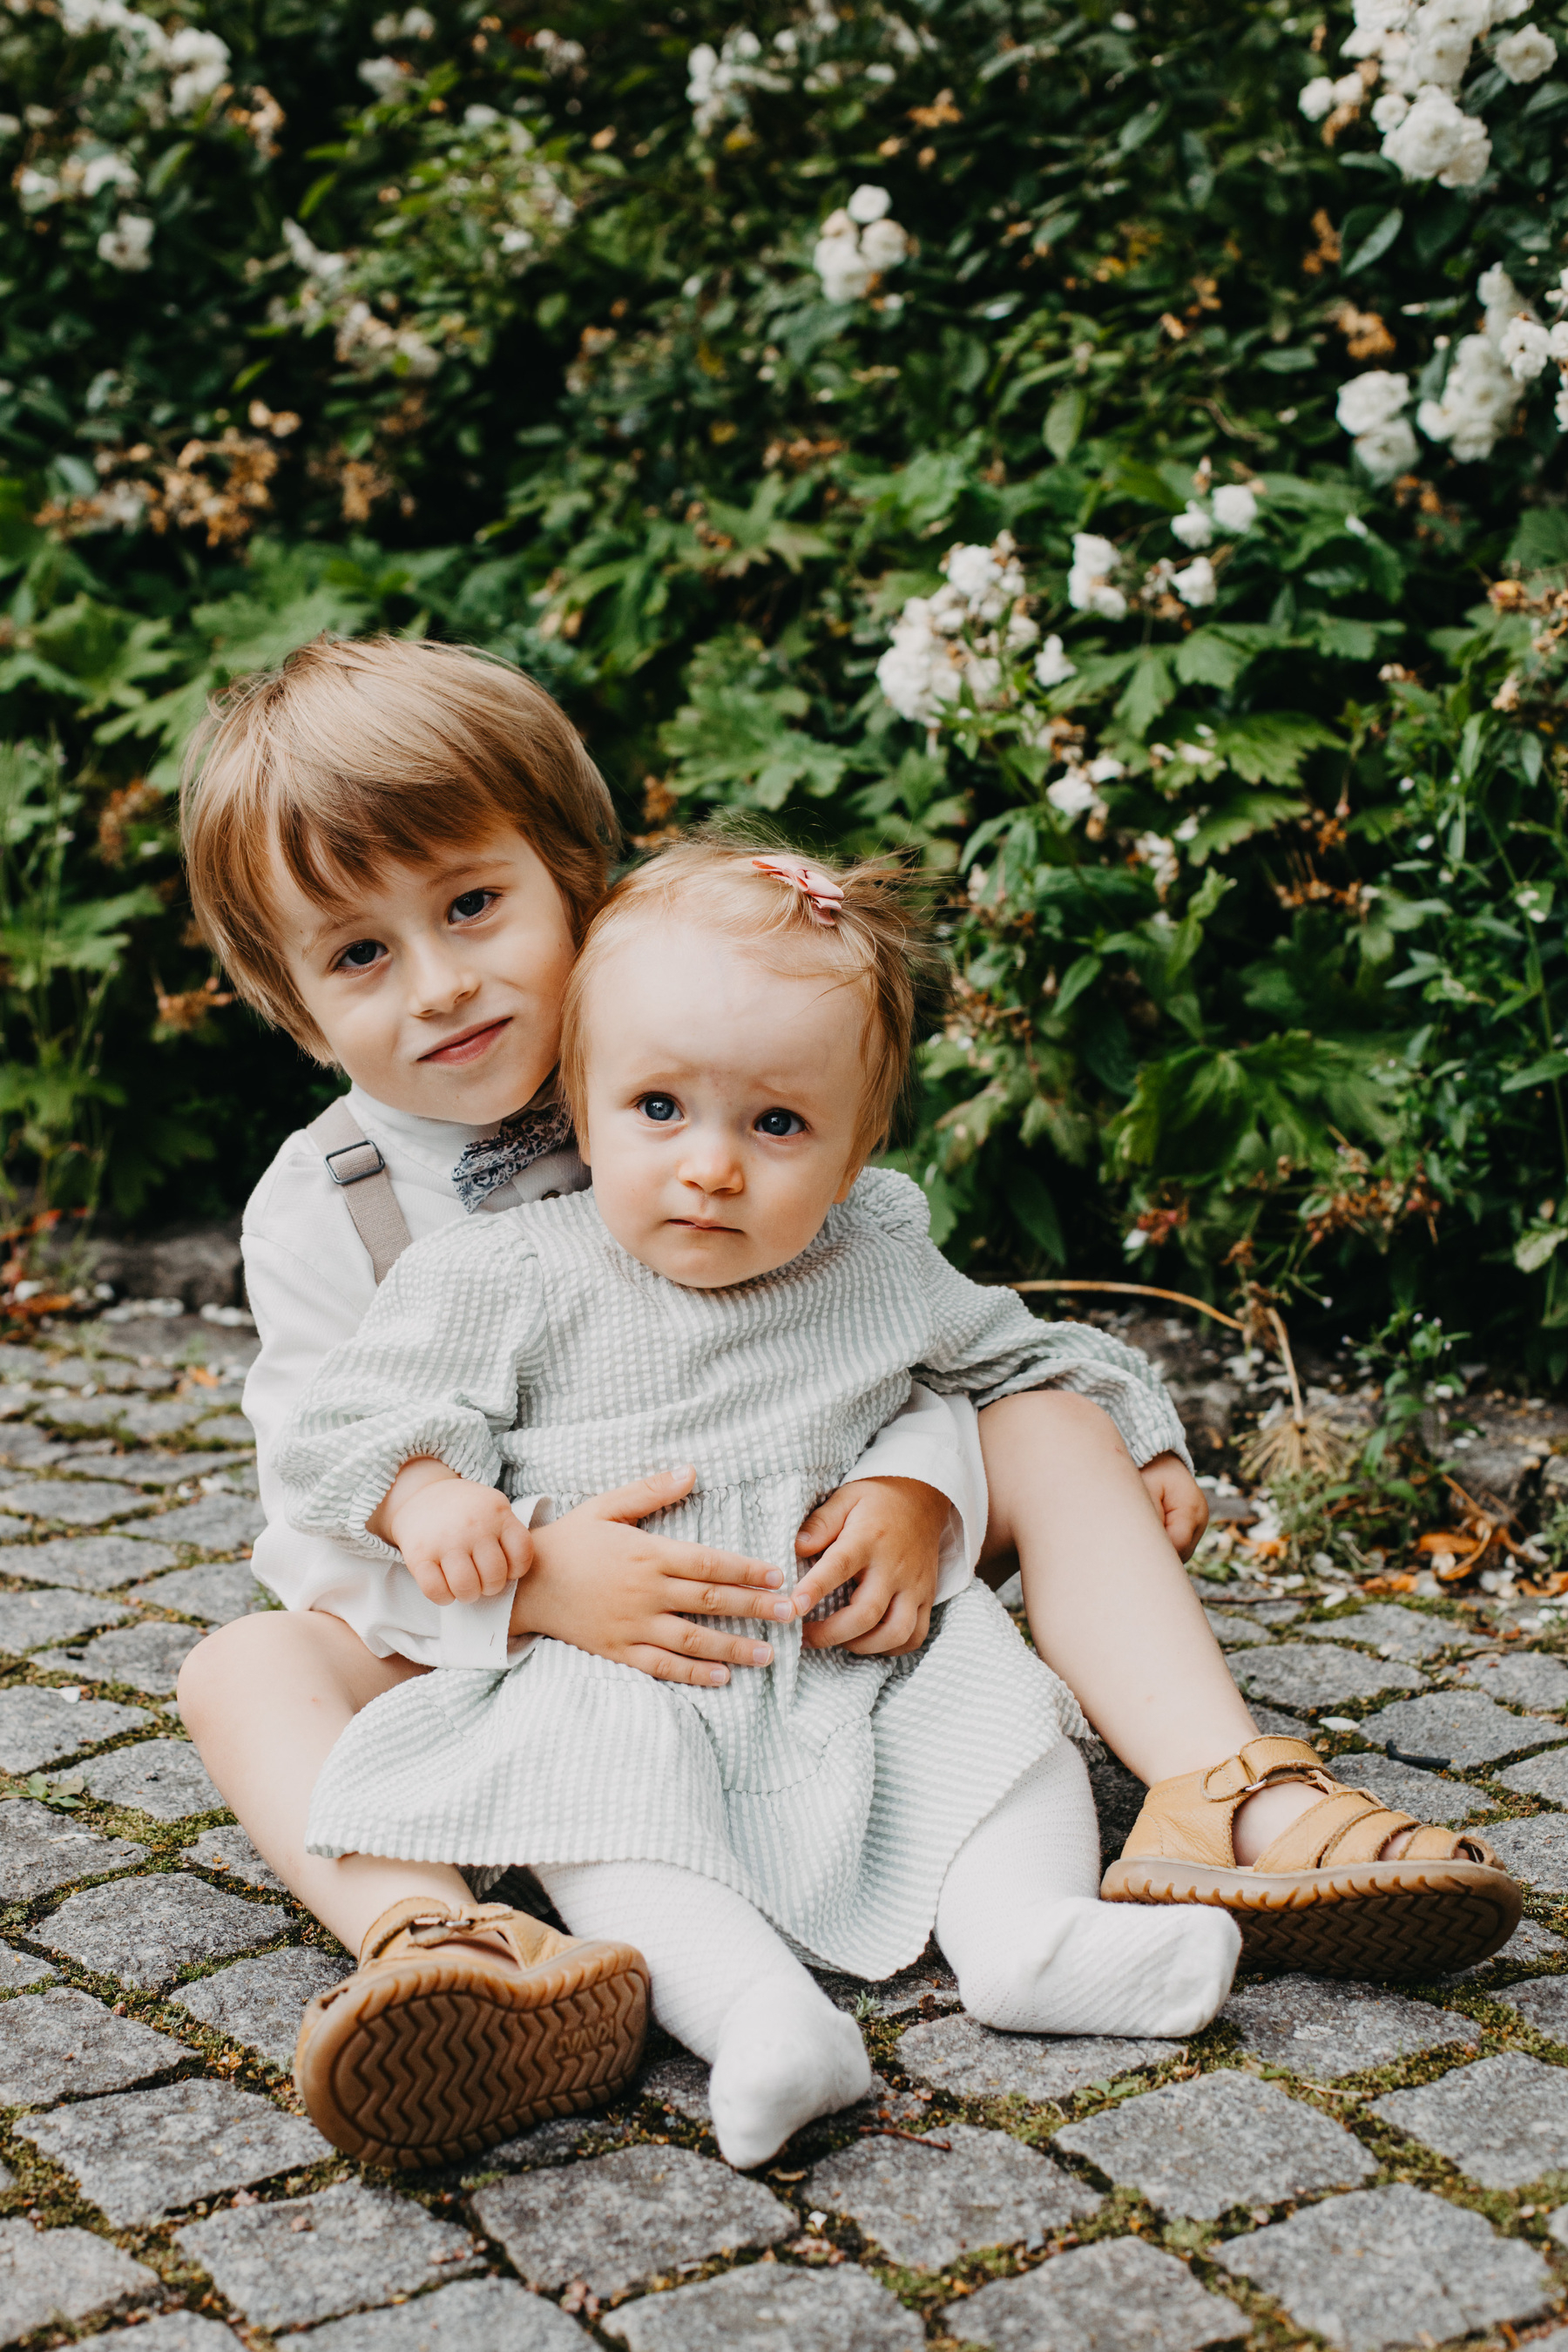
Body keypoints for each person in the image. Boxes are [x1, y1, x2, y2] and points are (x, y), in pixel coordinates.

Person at [174, 636, 1516, 2167]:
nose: (442, 985)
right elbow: (316, 1500)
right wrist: (533, 1580)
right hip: (508, 1631)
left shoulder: (725, 1034)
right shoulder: (324, 1207)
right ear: (290, 1004)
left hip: (807, 1557)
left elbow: (906, 1329)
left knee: (1046, 1426)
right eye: (359, 956)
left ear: (575, 885)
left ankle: (1227, 1791)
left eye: (474, 905)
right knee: (242, 1669)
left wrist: (919, 1489)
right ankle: (440, 1940)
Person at [276, 839, 1255, 2169]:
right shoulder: (507, 1270)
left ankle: (1032, 1938)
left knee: (993, 1720)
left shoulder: (872, 1255)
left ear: (854, 1157)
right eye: (659, 1110)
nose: (713, 1168)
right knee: (603, 1818)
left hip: (852, 1643)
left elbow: (1036, 1355)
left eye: (777, 1126)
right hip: (626, 1661)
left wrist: (1144, 1445)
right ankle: (761, 2022)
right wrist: (427, 1492)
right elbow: (358, 1415)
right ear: (584, 1097)